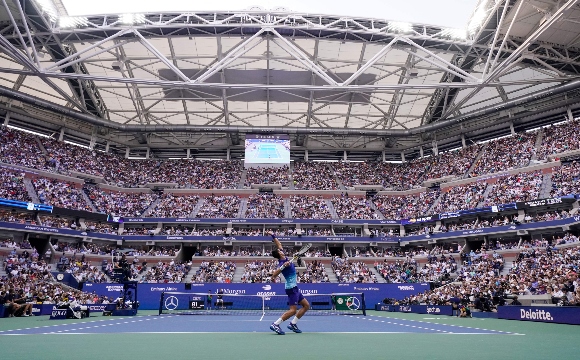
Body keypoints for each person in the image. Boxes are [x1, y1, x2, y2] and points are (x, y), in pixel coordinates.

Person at [269, 231, 310, 335]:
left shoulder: (286, 258)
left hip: (295, 287)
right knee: (293, 310)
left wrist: (273, 235)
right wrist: (283, 266)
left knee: (306, 305)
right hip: (291, 288)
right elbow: (275, 273)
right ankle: (276, 324)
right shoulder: (282, 263)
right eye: (280, 251)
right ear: (279, 254)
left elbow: (279, 244)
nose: (281, 250)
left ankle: (293, 324)